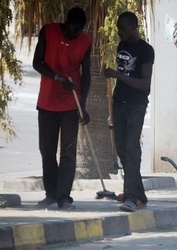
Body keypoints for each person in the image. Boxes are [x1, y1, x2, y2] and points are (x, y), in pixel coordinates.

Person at [32, 7, 92, 210]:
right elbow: (36, 63)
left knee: (68, 152)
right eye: (71, 29)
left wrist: (82, 105)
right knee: (47, 150)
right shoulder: (48, 31)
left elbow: (87, 74)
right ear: (66, 21)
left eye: (78, 31)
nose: (73, 34)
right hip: (47, 101)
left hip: (70, 103)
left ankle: (63, 196)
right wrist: (57, 78)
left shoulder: (85, 42)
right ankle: (50, 193)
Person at [104, 11, 154, 212]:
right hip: (119, 102)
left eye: (123, 29)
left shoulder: (146, 50)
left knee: (132, 148)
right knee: (122, 149)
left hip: (136, 104)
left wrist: (117, 75)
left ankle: (131, 198)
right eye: (118, 29)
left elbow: (145, 85)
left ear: (133, 27)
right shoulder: (122, 45)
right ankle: (139, 194)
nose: (120, 33)